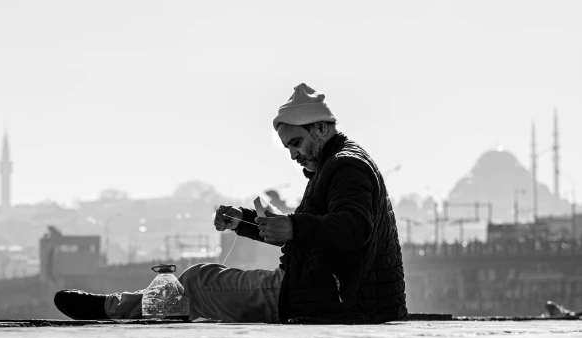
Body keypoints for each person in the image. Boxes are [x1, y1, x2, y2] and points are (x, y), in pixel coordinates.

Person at [54, 83, 408, 324]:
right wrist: (244, 222)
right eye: (288, 147)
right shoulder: (339, 165)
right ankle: (116, 305)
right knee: (199, 280)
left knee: (194, 282)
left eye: (296, 142)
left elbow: (353, 229)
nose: (294, 155)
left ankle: (110, 308)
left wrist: (294, 226)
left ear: (320, 128)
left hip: (321, 300)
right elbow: (317, 235)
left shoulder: (346, 167)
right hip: (324, 294)